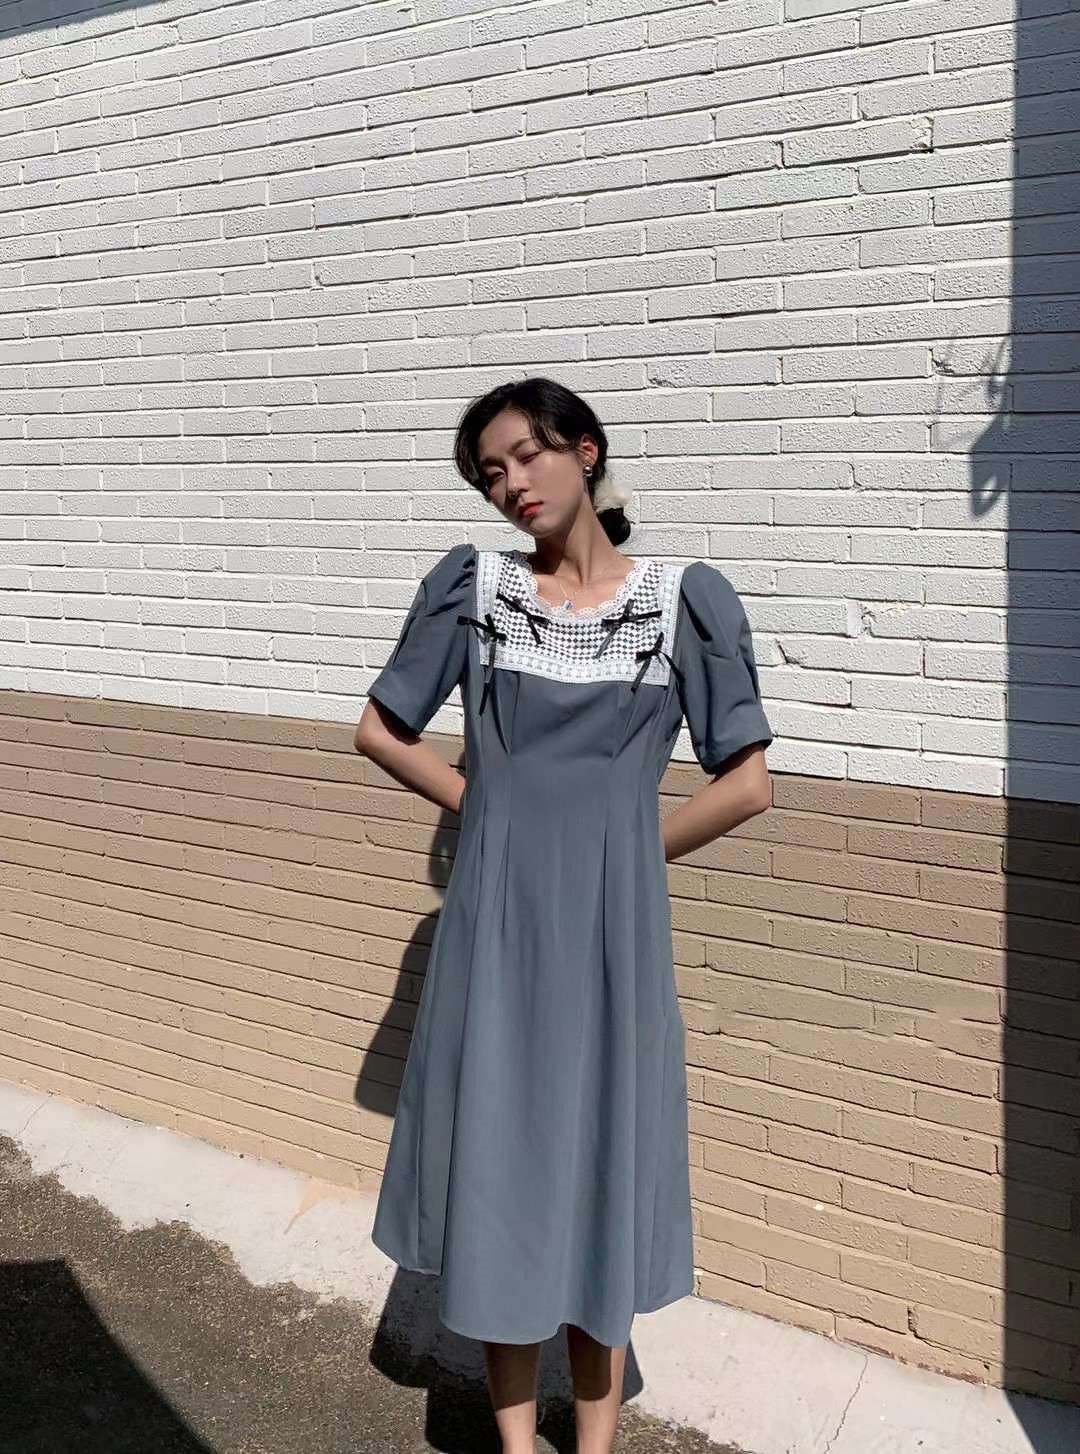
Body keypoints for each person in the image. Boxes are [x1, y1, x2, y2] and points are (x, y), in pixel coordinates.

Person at [355, 377, 774, 1454]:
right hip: (494, 929)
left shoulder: (684, 599)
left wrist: (624, 853)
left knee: (600, 1168)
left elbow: (745, 782)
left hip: (612, 939)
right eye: (490, 473)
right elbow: (380, 729)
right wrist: (487, 812)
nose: (511, 484)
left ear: (584, 451)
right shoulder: (475, 589)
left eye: (525, 456)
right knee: (499, 1170)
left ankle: (592, 1444)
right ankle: (513, 1443)